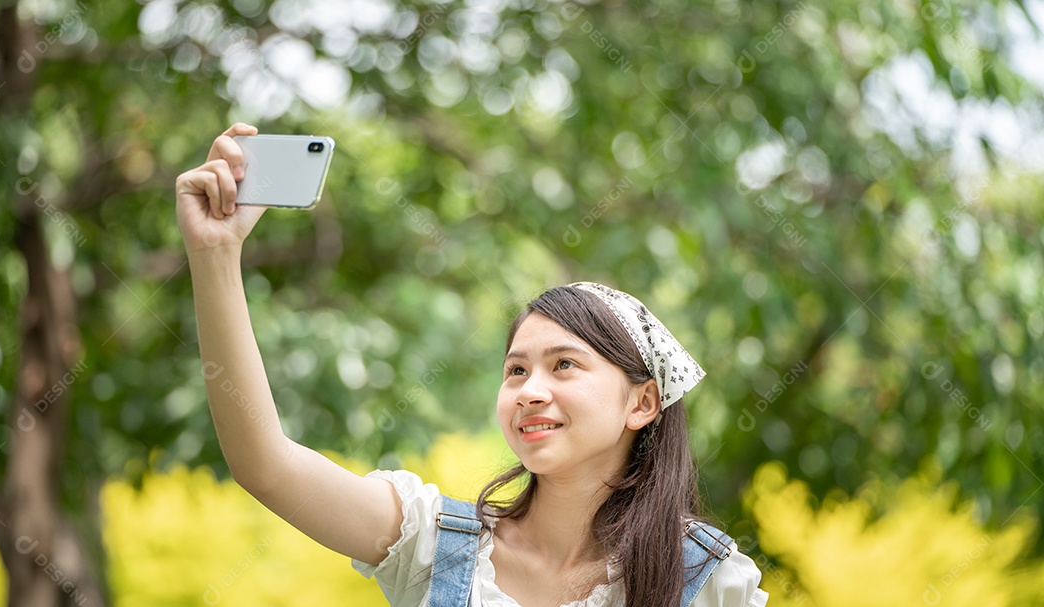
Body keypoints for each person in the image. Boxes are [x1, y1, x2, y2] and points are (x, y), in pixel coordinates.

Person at [176, 123, 769, 607]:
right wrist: (215, 254)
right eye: (516, 370)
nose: (530, 390)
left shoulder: (707, 582)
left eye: (565, 365)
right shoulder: (434, 545)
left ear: (642, 402)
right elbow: (265, 465)